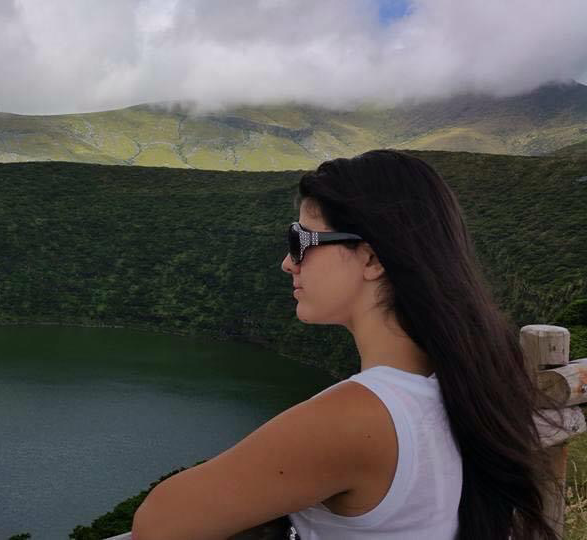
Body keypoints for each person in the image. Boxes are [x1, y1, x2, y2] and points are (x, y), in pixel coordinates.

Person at [131, 150, 564, 540]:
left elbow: (159, 522)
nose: (288, 263)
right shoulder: (466, 385)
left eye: (301, 242)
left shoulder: (359, 418)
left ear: (372, 259)